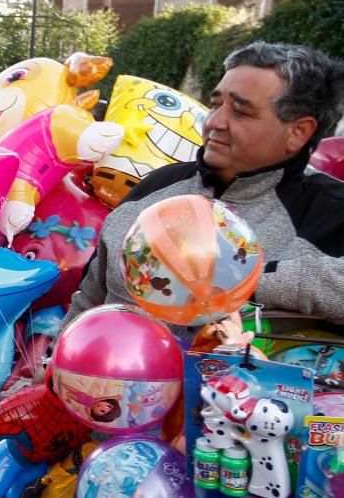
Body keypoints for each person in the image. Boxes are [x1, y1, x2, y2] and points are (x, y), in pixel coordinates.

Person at [63, 41, 344, 343]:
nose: (213, 122)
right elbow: (89, 300)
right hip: (103, 386)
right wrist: (56, 358)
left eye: (241, 111)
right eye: (215, 104)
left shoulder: (331, 213)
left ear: (297, 132)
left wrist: (252, 280)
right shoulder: (154, 189)